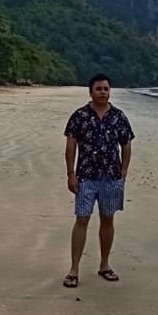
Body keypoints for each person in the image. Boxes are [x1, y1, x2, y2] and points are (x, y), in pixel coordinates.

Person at [62, 72, 134, 288]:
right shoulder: (79, 116)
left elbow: (127, 145)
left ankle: (104, 265)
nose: (103, 92)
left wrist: (123, 172)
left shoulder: (119, 116)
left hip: (111, 177)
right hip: (86, 177)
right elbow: (70, 146)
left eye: (106, 89)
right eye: (99, 89)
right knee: (81, 220)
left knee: (108, 220)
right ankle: (74, 269)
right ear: (90, 92)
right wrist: (70, 174)